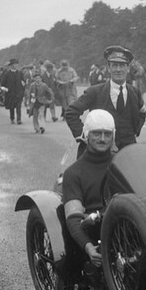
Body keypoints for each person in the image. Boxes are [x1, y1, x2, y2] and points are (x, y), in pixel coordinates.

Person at [64, 45, 145, 157]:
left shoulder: (135, 92)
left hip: (127, 153)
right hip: (100, 152)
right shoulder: (95, 92)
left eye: (122, 65)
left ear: (128, 68)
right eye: (114, 65)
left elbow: (142, 113)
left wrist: (135, 132)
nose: (118, 70)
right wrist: (84, 135)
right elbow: (71, 112)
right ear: (109, 68)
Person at [62, 110, 117, 269]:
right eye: (97, 134)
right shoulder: (73, 173)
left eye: (107, 134)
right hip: (94, 230)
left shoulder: (122, 163)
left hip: (124, 224)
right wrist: (89, 248)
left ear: (113, 136)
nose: (102, 139)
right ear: (87, 134)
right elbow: (73, 218)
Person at [1, 58, 25, 124]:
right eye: (15, 64)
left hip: (19, 93)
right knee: (11, 107)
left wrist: (23, 90)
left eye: (17, 64)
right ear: (11, 65)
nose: (16, 65)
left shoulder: (20, 73)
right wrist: (7, 90)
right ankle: (12, 118)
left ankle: (19, 119)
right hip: (10, 94)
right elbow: (2, 84)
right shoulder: (7, 74)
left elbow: (23, 82)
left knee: (18, 106)